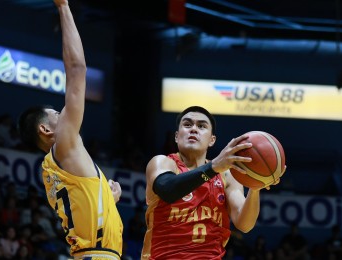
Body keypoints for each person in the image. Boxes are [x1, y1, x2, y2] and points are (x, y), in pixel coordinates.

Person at [17, 0, 123, 259]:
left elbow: (81, 205)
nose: (64, 114)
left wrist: (107, 199)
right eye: (57, 114)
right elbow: (77, 70)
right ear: (45, 129)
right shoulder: (63, 143)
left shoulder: (54, 168)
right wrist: (63, 6)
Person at [141, 106, 285, 259]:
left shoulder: (227, 176)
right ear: (177, 136)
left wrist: (255, 188)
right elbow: (168, 190)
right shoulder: (162, 163)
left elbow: (244, 224)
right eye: (187, 124)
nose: (194, 129)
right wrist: (213, 167)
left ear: (212, 140)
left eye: (201, 126)